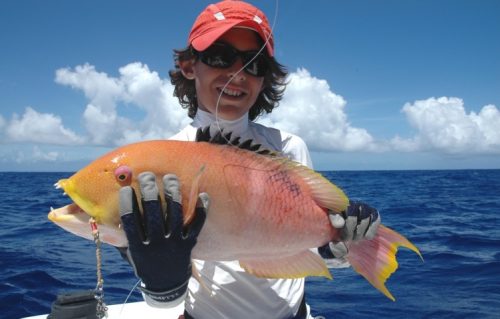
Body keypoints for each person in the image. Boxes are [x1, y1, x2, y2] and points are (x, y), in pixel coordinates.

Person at [118, 1, 381, 318]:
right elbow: (164, 302)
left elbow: (309, 248)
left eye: (254, 64)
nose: (237, 74)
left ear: (264, 79)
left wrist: (340, 241)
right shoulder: (161, 162)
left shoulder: (288, 148)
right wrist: (162, 283)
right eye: (220, 57)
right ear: (189, 66)